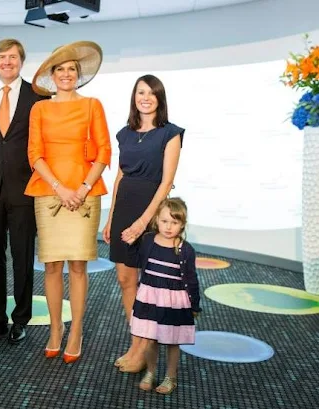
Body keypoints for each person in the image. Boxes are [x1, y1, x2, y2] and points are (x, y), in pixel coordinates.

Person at [26, 41, 111, 363]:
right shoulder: (40, 108)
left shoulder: (92, 104)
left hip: (86, 193)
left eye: (71, 69)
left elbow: (103, 150)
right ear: (52, 75)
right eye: (60, 69)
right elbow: (34, 153)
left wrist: (83, 187)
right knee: (51, 265)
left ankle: (76, 330)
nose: (66, 74)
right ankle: (55, 330)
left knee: (78, 265)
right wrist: (61, 188)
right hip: (49, 192)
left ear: (79, 74)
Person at [103, 74, 184, 372]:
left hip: (150, 215)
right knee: (125, 280)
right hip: (124, 208)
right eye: (140, 92)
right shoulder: (124, 133)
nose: (145, 97)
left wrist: (142, 222)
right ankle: (137, 341)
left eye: (152, 93)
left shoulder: (170, 133)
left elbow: (166, 183)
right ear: (134, 97)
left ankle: (145, 346)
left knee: (148, 284)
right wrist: (111, 217)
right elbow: (121, 175)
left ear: (160, 99)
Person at [0, 39, 45, 345]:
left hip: (25, 188)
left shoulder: (38, 95)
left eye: (12, 57)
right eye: (2, 57)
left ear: (21, 61)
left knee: (23, 257)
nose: (7, 62)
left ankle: (21, 319)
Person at [130, 198, 201, 394]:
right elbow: (139, 262)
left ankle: (171, 377)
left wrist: (194, 305)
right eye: (164, 221)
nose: (169, 227)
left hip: (173, 302)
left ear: (183, 225)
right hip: (150, 299)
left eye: (175, 223)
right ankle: (151, 372)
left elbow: (191, 279)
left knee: (171, 340)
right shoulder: (148, 241)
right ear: (156, 220)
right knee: (150, 339)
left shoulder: (185, 250)